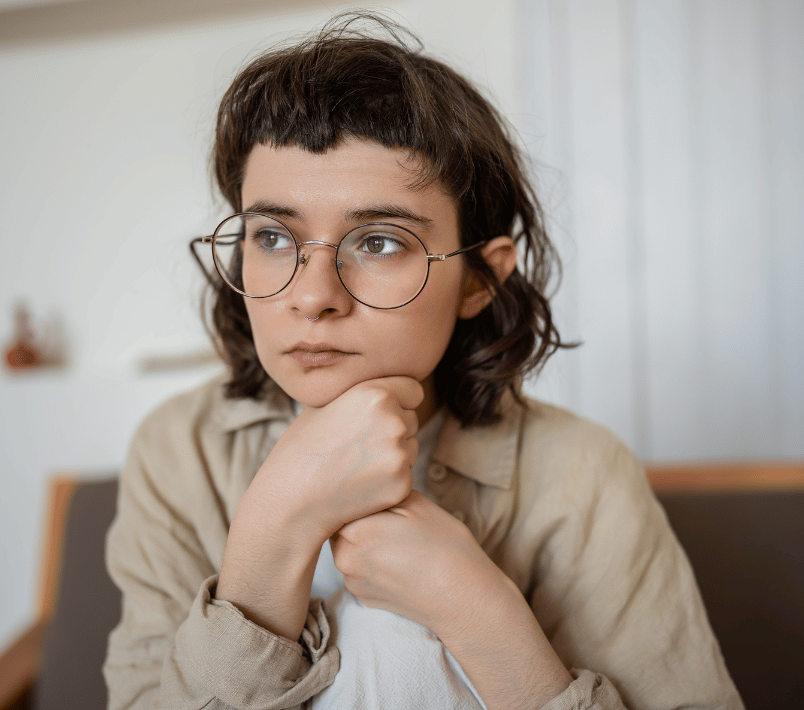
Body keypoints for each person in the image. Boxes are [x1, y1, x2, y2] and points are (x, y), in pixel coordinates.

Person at [104, 12, 742, 710]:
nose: (313, 297)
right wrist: (273, 528)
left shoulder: (582, 474)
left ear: (479, 279)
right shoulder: (177, 452)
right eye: (274, 237)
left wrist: (479, 611)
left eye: (378, 242)